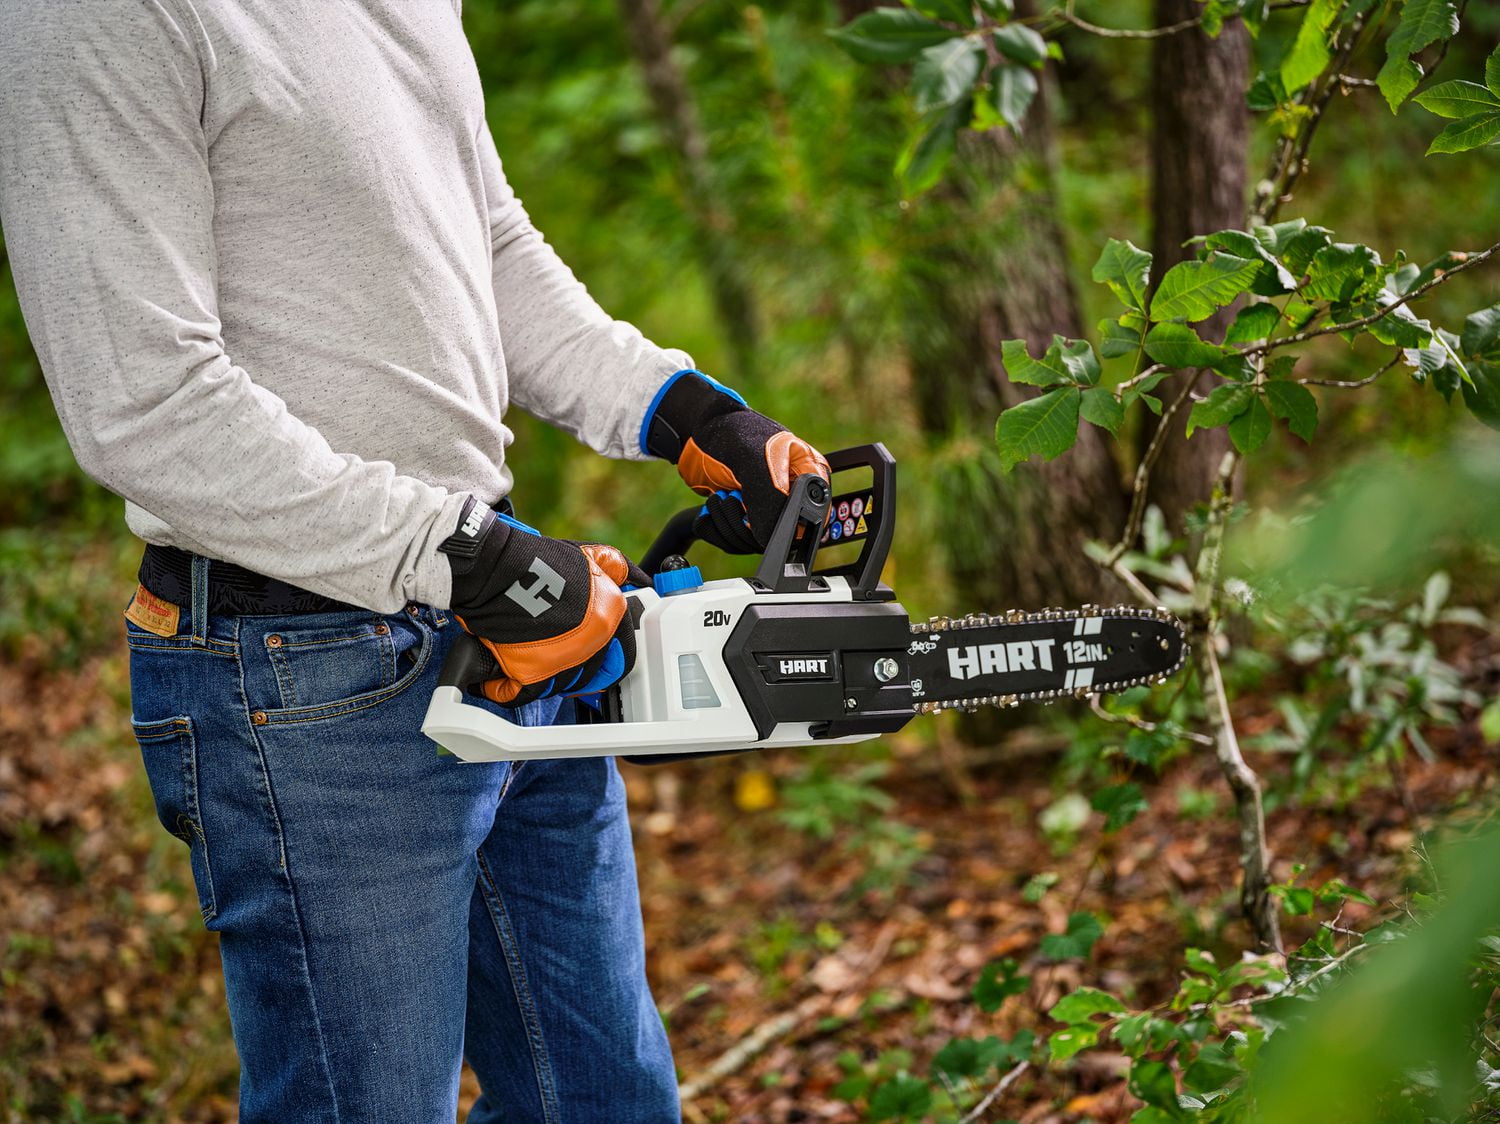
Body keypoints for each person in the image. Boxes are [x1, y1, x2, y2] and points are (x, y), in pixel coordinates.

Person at [0, 3, 827, 1121]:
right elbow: (142, 403)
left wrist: (679, 409)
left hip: (498, 619)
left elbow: (487, 245)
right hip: (299, 666)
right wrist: (472, 561)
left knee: (604, 1100)